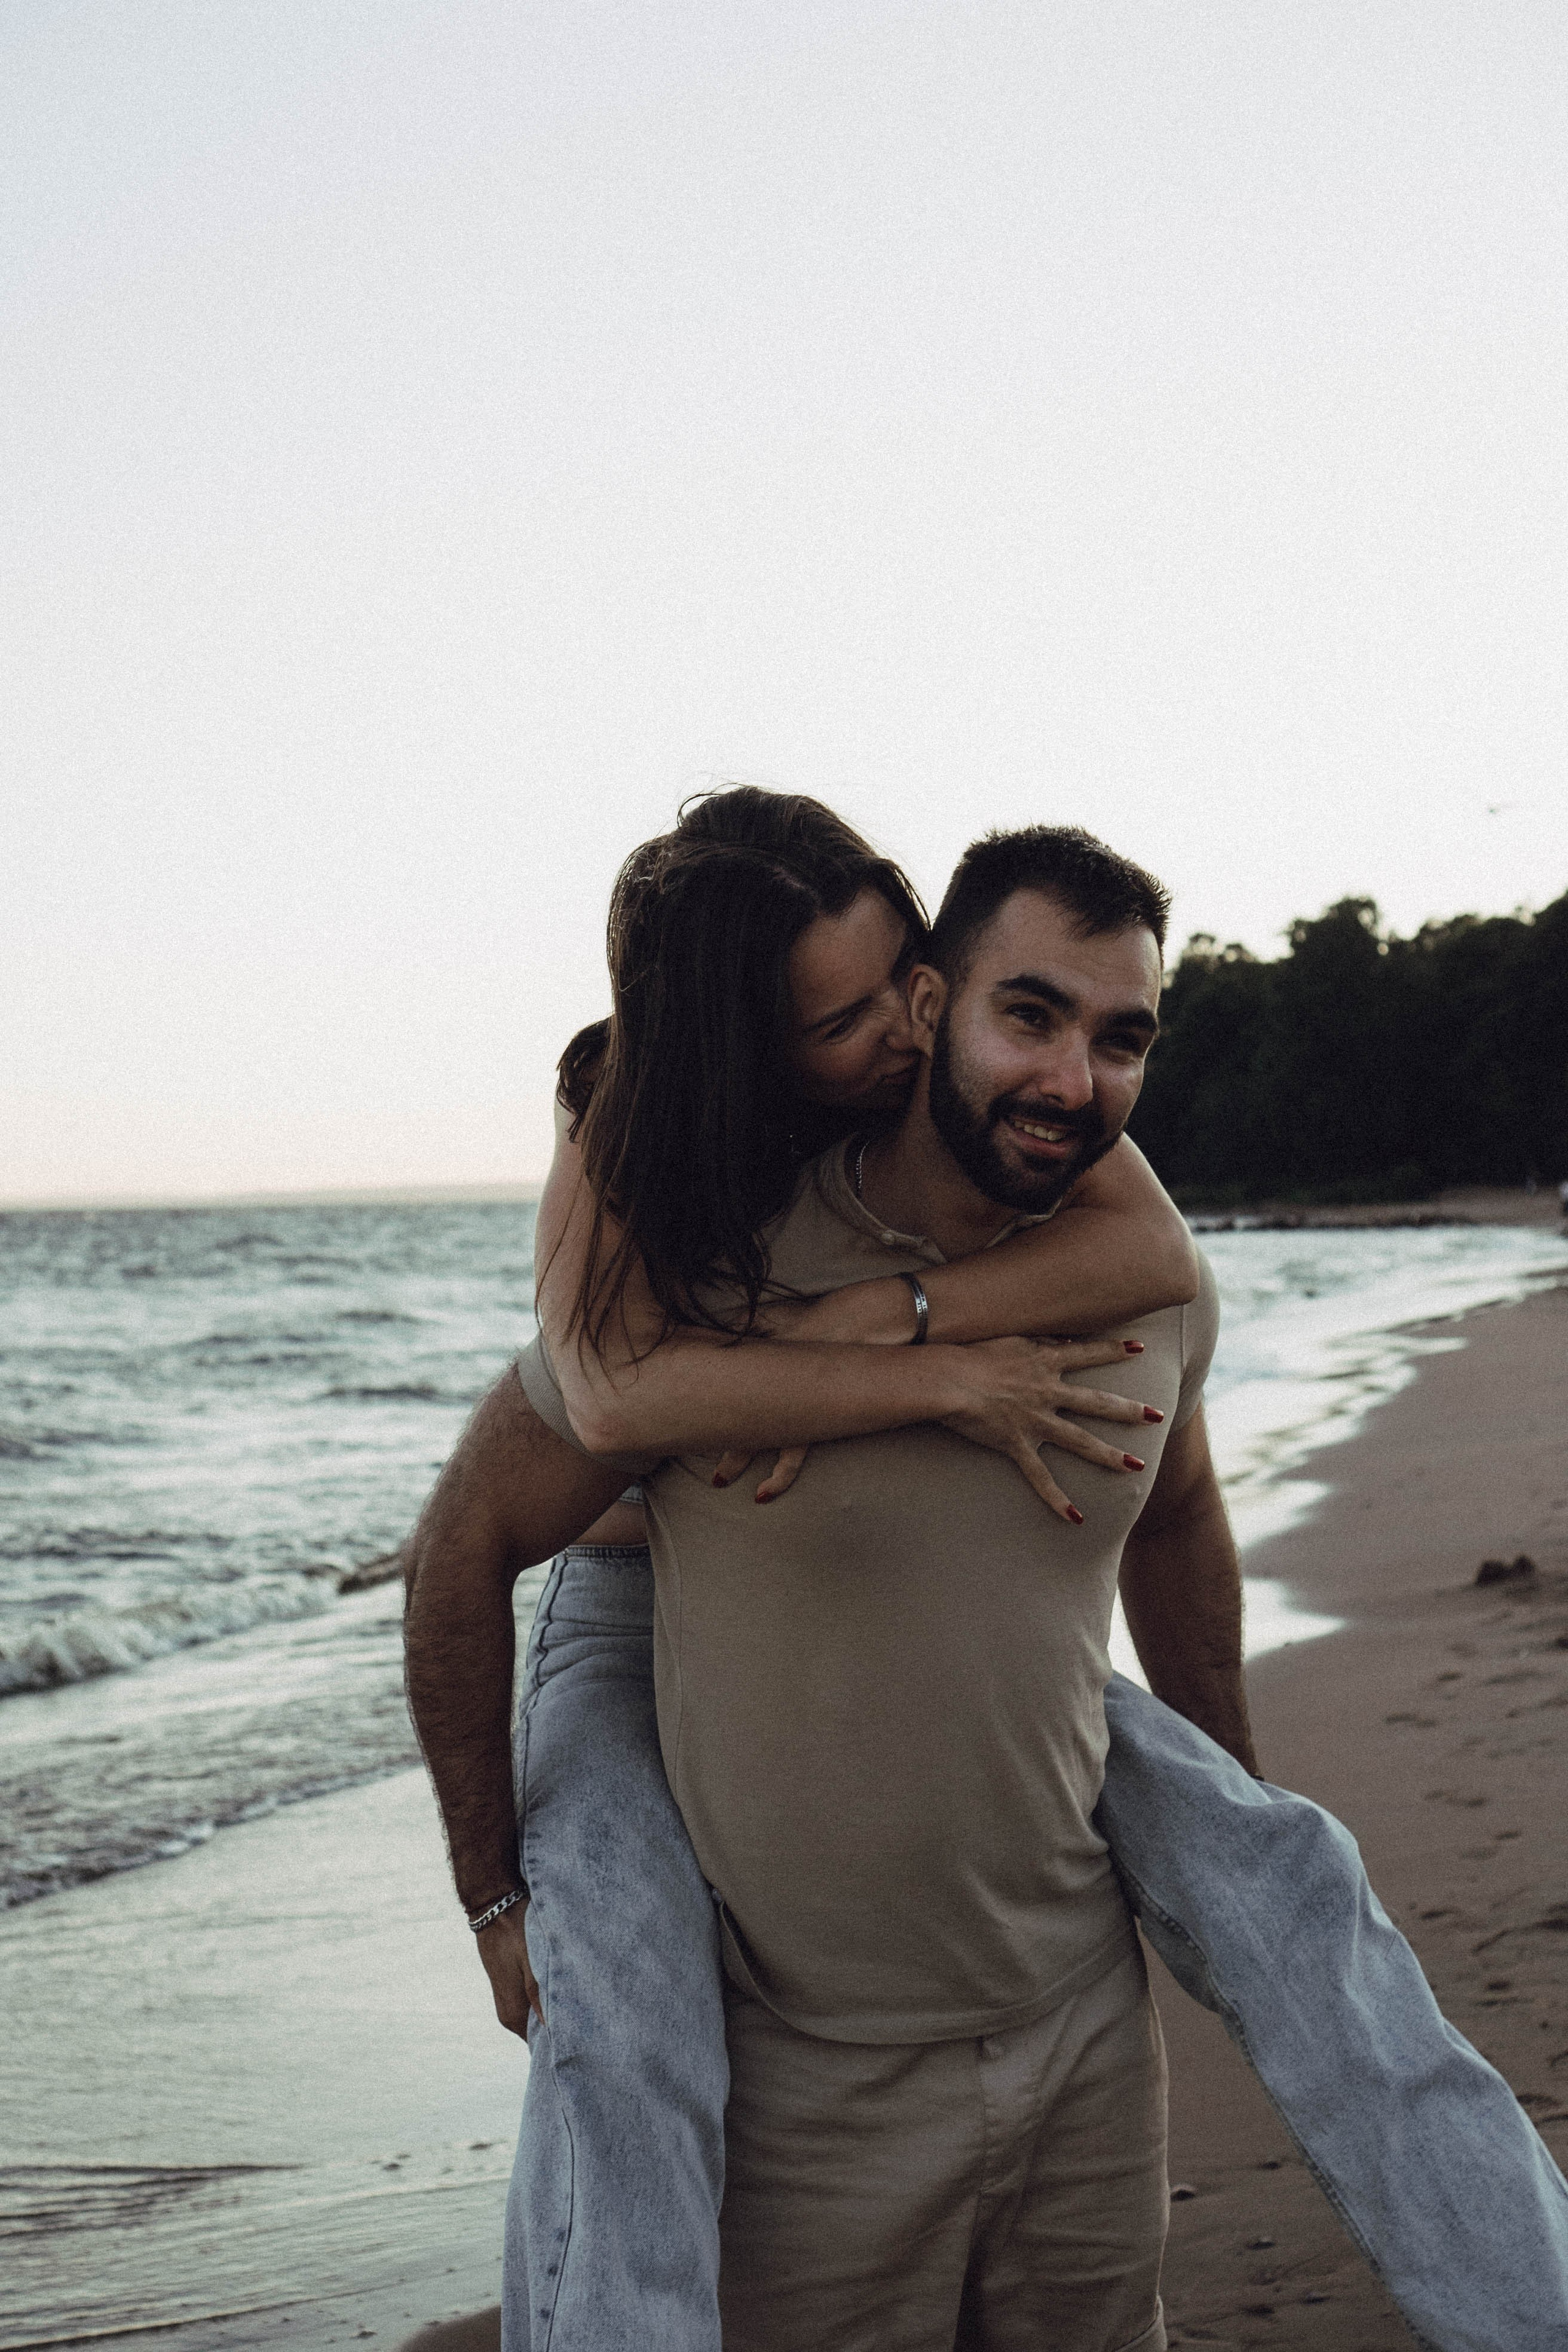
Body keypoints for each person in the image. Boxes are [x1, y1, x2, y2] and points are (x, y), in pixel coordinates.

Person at [405, 796, 1568, 2352]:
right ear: (913, 1011)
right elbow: (508, 1498)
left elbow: (1168, 1510)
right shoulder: (701, 1251)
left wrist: (1223, 1802)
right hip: (799, 2062)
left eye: (1121, 1037)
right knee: (615, 2018)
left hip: (1078, 2052)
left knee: (1285, 1875)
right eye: (1024, 1013)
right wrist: (494, 1894)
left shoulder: (1125, 1246)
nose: (1068, 1077)